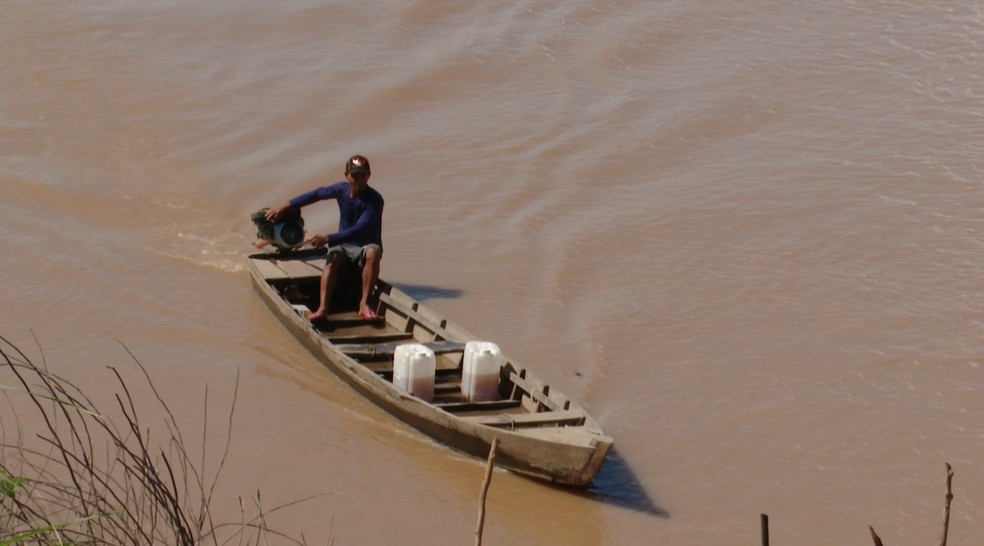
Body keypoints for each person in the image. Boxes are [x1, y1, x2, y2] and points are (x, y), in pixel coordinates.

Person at [264, 154, 384, 321]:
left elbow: (360, 229)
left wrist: (327, 238)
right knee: (333, 255)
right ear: (347, 175)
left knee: (374, 252)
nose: (359, 180)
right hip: (343, 244)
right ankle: (322, 309)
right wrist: (286, 205)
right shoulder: (341, 189)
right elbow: (317, 194)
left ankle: (364, 304)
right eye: (355, 175)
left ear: (369, 175)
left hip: (364, 246)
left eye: (363, 175)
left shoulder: (375, 200)